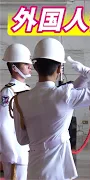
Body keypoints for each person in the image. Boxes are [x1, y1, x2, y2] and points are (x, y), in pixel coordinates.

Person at [11, 38, 90, 179]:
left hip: (34, 169)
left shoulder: (20, 99)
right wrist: (88, 73)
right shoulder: (64, 95)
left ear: (35, 67)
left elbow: (22, 139)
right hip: (56, 170)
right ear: (60, 69)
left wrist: (85, 76)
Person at [0, 43, 32, 179]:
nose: (30, 66)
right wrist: (10, 153)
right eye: (25, 64)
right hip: (16, 153)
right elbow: (4, 124)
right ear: (14, 67)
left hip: (26, 149)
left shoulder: (27, 88)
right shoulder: (9, 91)